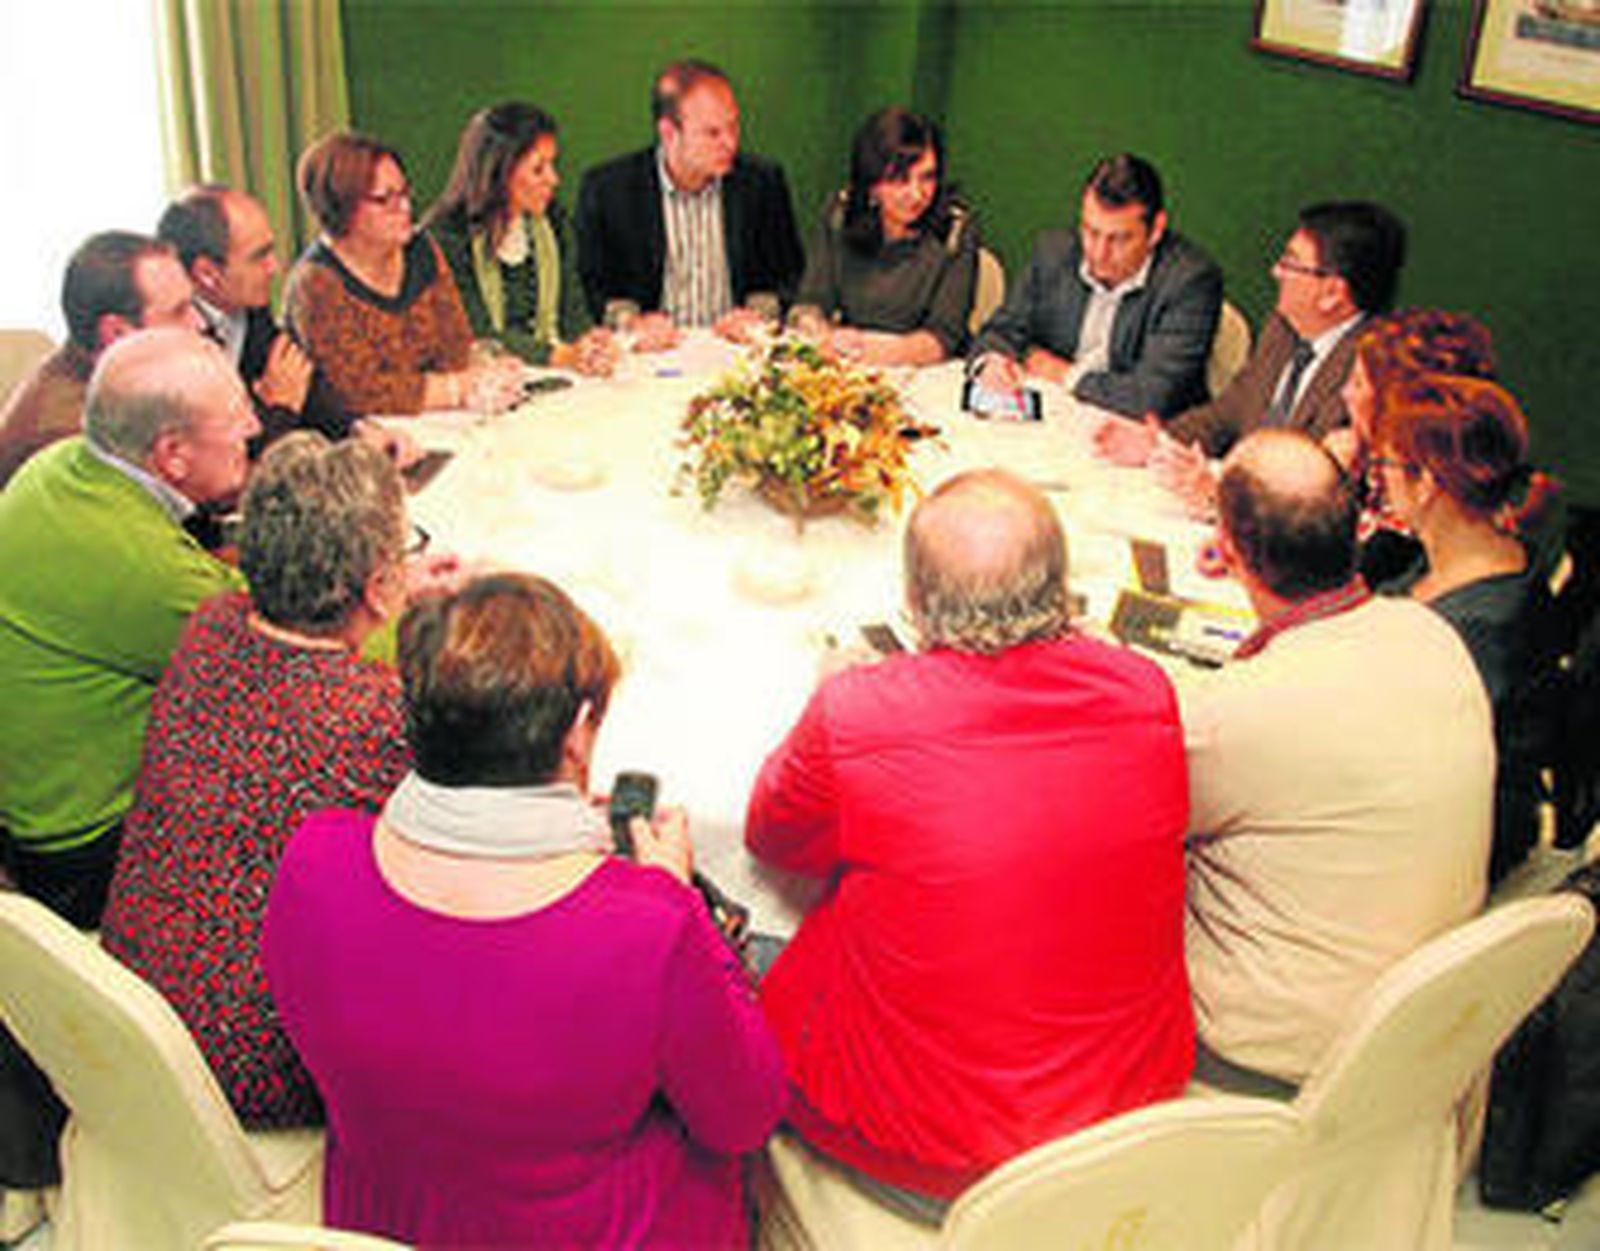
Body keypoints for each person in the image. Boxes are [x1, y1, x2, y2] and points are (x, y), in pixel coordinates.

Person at [264, 573, 786, 1247]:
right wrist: (680, 897)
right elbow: (743, 1116)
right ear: (577, 733)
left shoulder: (314, 858)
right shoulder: (650, 923)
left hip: (387, 1217)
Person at [747, 469, 1192, 1212]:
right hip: (1119, 1120)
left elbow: (773, 838)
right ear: (1061, 588)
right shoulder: (1144, 688)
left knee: (742, 936)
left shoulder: (859, 710)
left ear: (916, 600)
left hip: (918, 1142)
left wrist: (823, 695)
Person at [100, 433, 416, 1128]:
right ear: (378, 586)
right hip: (251, 1064)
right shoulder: (382, 720)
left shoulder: (210, 626)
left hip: (132, 1010)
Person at [1184, 429, 1493, 1089]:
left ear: (1230, 550)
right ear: (1355, 530)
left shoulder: (1242, 708)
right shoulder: (1432, 634)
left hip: (1269, 1062)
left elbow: (1129, 830)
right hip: (1419, 1047)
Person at [0, 330, 255, 927]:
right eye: (235, 416)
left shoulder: (61, 466)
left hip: (30, 813)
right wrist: (408, 593)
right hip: (88, 854)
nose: (253, 425)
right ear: (173, 454)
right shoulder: (146, 570)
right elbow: (292, 648)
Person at [1371, 375, 1561, 885]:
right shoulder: (1474, 558)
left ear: (1427, 484)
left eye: (1385, 465)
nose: (1379, 480)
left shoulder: (1477, 630)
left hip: (1440, 848)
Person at [1096, 201, 1407, 479]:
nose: (1276, 272)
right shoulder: (1283, 328)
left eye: (1291, 263)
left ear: (1332, 293)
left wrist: (1217, 490)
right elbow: (1228, 413)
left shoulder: (1369, 372)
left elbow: (1310, 485)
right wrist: (1162, 441)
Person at [284, 131, 523, 417]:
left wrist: (486, 371)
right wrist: (458, 388)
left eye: (404, 193)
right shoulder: (316, 283)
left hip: (434, 421)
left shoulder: (421, 249)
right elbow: (359, 393)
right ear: (341, 208)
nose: (406, 208)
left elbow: (456, 348)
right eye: (385, 199)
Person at [970, 153, 1221, 418]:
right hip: (1060, 417)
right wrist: (993, 363)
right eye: (1090, 231)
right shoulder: (1055, 252)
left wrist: (1064, 374)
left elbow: (1149, 398)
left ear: (1156, 230)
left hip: (1137, 431)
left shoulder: (1190, 282)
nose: (1099, 253)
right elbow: (1001, 331)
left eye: (1119, 239)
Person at [576, 58, 805, 344]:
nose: (730, 143)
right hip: (653, 354)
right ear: (669, 133)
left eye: (733, 127)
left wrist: (757, 315)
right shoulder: (610, 190)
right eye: (712, 133)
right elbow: (595, 286)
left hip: (737, 350)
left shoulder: (761, 183)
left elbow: (787, 275)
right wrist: (632, 322)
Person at [423, 102, 618, 376]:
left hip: (552, 376)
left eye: (552, 165)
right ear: (500, 173)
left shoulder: (554, 222)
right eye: (538, 169)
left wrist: (592, 342)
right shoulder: (447, 236)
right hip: (482, 382)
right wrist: (561, 355)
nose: (554, 179)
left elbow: (573, 314)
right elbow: (476, 335)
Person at [0, 231, 201, 486]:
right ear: (117, 333)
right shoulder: (76, 438)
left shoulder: (114, 385)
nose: (199, 324)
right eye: (179, 312)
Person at [790, 107, 977, 366]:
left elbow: (945, 336)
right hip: (851, 365)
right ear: (871, 182)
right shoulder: (841, 214)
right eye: (900, 180)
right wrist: (820, 334)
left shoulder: (955, 228)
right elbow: (811, 302)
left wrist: (882, 351)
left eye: (927, 178)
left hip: (923, 370)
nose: (917, 195)